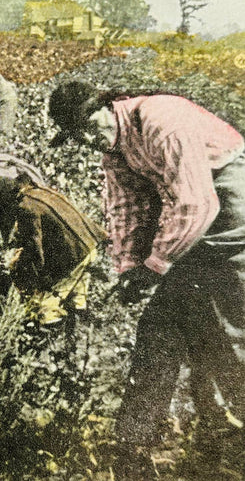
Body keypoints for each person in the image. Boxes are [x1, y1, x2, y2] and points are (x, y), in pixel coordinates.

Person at [48, 80, 245, 479]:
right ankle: (137, 446)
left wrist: (155, 266)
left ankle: (230, 434)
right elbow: (126, 206)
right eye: (76, 136)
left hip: (228, 199)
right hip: (182, 216)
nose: (87, 140)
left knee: (234, 321)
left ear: (106, 106)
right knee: (166, 324)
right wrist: (129, 266)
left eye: (88, 127)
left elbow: (197, 203)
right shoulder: (113, 147)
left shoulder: (161, 120)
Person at [0, 174, 106, 326]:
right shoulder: (38, 191)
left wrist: (37, 276)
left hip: (74, 255)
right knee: (75, 296)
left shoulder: (26, 209)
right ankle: (79, 327)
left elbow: (35, 249)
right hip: (88, 245)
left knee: (43, 305)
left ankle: (51, 335)